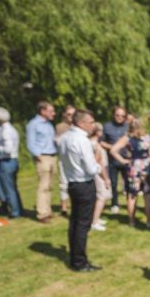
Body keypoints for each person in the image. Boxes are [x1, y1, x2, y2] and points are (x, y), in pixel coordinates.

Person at [58, 109, 101, 272]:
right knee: (82, 224)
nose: (93, 125)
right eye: (91, 122)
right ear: (81, 123)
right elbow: (90, 169)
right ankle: (80, 262)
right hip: (84, 184)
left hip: (72, 183)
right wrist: (97, 163)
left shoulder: (64, 138)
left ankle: (75, 257)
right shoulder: (82, 140)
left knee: (75, 222)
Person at [110, 119, 150, 227]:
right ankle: (148, 221)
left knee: (132, 195)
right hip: (145, 167)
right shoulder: (148, 138)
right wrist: (148, 158)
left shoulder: (127, 138)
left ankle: (131, 221)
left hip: (133, 167)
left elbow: (113, 150)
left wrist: (123, 160)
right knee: (147, 195)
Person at [26, 101, 58, 223]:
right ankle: (42, 214)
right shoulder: (34, 124)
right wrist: (38, 156)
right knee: (43, 186)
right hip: (43, 157)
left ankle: (47, 210)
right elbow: (30, 142)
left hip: (52, 156)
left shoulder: (49, 124)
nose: (53, 113)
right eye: (51, 111)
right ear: (43, 111)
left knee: (49, 186)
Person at [0, 107, 22, 218]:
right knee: (13, 188)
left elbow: (8, 149)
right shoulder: (11, 128)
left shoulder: (5, 131)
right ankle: (19, 209)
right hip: (13, 160)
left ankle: (14, 212)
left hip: (7, 161)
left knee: (9, 189)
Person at [100, 106, 128, 214]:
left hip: (126, 159)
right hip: (112, 160)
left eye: (122, 116)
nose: (120, 117)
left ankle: (130, 203)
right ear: (113, 115)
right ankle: (114, 203)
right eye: (117, 115)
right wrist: (112, 148)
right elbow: (101, 141)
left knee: (128, 183)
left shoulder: (128, 126)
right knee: (113, 183)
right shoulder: (107, 126)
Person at [89, 123, 111, 232]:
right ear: (97, 132)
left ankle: (95, 218)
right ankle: (94, 222)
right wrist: (106, 178)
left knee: (99, 197)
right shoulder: (95, 145)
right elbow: (99, 162)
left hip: (99, 171)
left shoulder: (93, 143)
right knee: (101, 196)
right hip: (99, 173)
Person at [55, 105, 75, 218]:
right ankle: (63, 207)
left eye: (73, 114)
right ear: (64, 115)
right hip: (64, 159)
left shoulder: (78, 126)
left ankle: (74, 205)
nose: (71, 117)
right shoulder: (60, 127)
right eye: (69, 114)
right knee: (63, 183)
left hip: (76, 159)